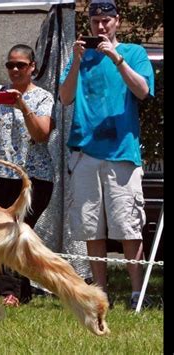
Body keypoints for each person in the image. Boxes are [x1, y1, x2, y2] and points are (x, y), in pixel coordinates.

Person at [59, 0, 154, 310]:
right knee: (91, 227)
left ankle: (137, 293)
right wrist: (75, 61)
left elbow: (142, 91)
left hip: (122, 153)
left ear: (118, 21)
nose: (100, 27)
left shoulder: (135, 53)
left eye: (106, 21)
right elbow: (65, 97)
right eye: (95, 21)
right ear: (89, 23)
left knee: (128, 227)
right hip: (85, 153)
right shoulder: (80, 56)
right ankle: (101, 294)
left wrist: (116, 58)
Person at [0, 44, 55, 307]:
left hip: (35, 177)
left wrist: (23, 106)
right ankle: (14, 290)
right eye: (10, 65)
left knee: (19, 230)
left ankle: (11, 290)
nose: (14, 70)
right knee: (0, 231)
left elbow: (41, 135)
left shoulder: (43, 97)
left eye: (20, 65)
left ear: (32, 66)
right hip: (1, 173)